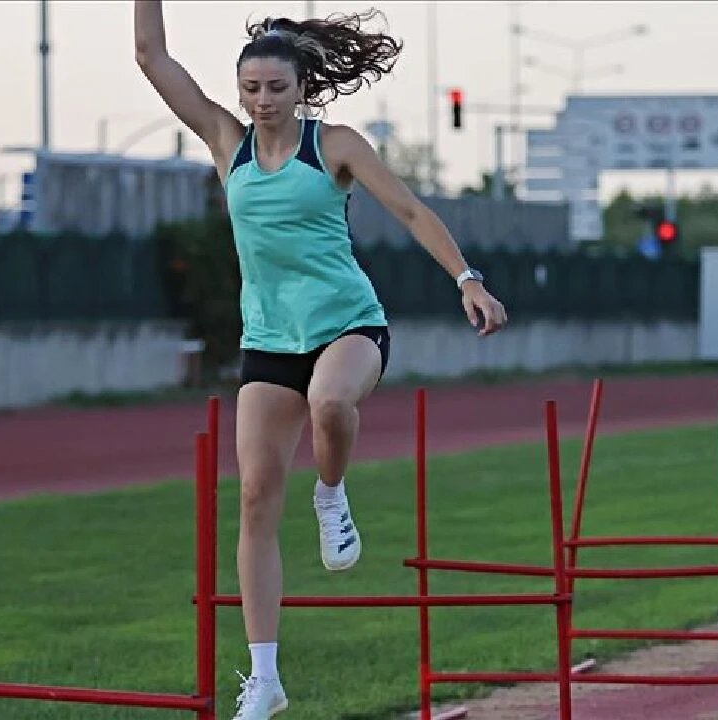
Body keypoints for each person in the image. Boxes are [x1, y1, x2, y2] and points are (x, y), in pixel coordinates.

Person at [133, 3, 509, 717]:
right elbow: (152, 56)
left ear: (301, 86)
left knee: (331, 403)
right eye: (250, 89)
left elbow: (407, 210)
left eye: (275, 88)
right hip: (269, 341)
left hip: (349, 326)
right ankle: (265, 679)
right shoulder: (226, 142)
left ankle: (331, 491)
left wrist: (468, 280)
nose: (261, 101)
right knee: (251, 500)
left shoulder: (332, 144)